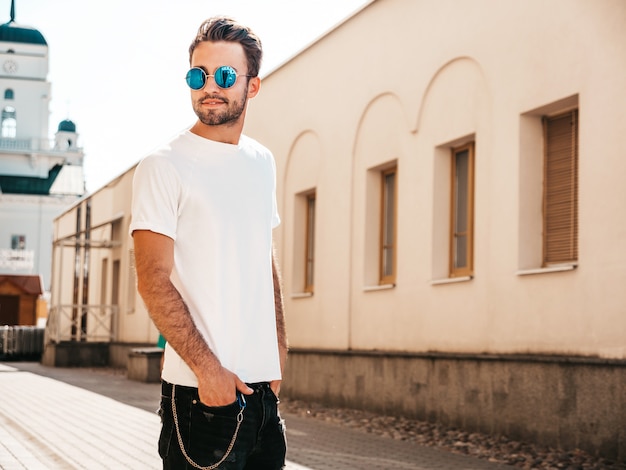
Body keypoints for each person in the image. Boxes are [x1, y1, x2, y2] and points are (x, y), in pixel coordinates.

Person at [130, 16, 288, 470]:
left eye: (224, 76)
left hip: (263, 400)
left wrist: (277, 349)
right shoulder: (164, 165)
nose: (209, 88)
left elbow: (264, 256)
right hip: (203, 399)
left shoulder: (262, 161)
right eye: (198, 76)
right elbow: (152, 279)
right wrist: (208, 371)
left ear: (252, 86)